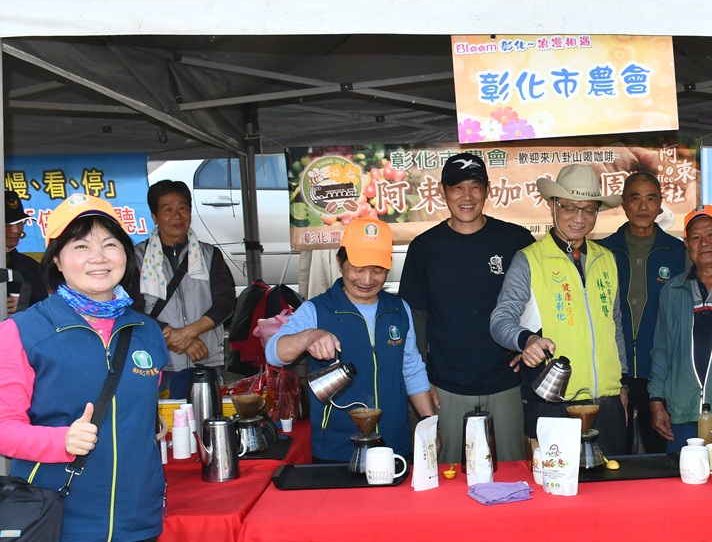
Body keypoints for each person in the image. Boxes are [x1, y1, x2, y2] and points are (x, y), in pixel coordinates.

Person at [0, 194, 168, 542]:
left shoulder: (145, 331)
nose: (98, 256)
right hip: (58, 525)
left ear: (126, 255)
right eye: (80, 245)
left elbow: (143, 418)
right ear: (56, 258)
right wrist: (59, 442)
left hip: (134, 525)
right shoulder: (23, 331)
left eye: (110, 244)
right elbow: (4, 425)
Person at [399, 152, 534, 463]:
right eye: (457, 188)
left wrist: (528, 342)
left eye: (475, 187)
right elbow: (415, 319)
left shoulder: (515, 240)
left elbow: (538, 302)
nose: (467, 196)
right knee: (448, 474)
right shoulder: (425, 248)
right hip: (446, 388)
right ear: (443, 192)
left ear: (488, 190)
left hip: (507, 385)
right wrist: (422, 378)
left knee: (510, 471)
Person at [266, 218, 435, 462]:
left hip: (393, 445)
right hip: (337, 449)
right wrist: (307, 336)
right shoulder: (317, 310)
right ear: (340, 262)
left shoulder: (399, 309)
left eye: (378, 270)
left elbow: (412, 370)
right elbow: (273, 352)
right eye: (357, 269)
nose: (367, 280)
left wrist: (429, 427)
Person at [490, 163, 628, 456]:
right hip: (552, 402)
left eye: (588, 209)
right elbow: (500, 319)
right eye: (569, 207)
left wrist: (622, 384)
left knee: (613, 481)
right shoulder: (529, 260)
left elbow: (614, 325)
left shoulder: (607, 259)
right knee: (555, 483)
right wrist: (526, 340)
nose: (579, 218)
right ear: (553, 205)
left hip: (606, 402)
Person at [601, 172, 687, 453]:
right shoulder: (604, 252)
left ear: (660, 203)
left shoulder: (678, 252)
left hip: (661, 373)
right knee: (615, 455)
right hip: (615, 373)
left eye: (651, 199)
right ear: (623, 204)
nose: (643, 207)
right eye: (635, 198)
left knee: (660, 454)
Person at [133, 179, 236, 397]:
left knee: (207, 414)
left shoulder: (209, 254)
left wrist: (189, 332)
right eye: (167, 209)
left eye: (182, 208)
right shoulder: (136, 257)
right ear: (154, 216)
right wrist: (175, 337)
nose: (177, 216)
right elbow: (132, 308)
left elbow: (226, 302)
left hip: (204, 358)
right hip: (158, 361)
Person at [646, 205, 712, 451]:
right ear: (687, 244)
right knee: (682, 473)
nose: (704, 243)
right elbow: (661, 350)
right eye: (695, 237)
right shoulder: (672, 290)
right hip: (681, 412)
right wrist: (656, 402)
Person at [6, 189, 50, 315]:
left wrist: (28, 308)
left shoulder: (31, 269)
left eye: (20, 222)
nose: (16, 230)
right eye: (7, 223)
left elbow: (48, 312)